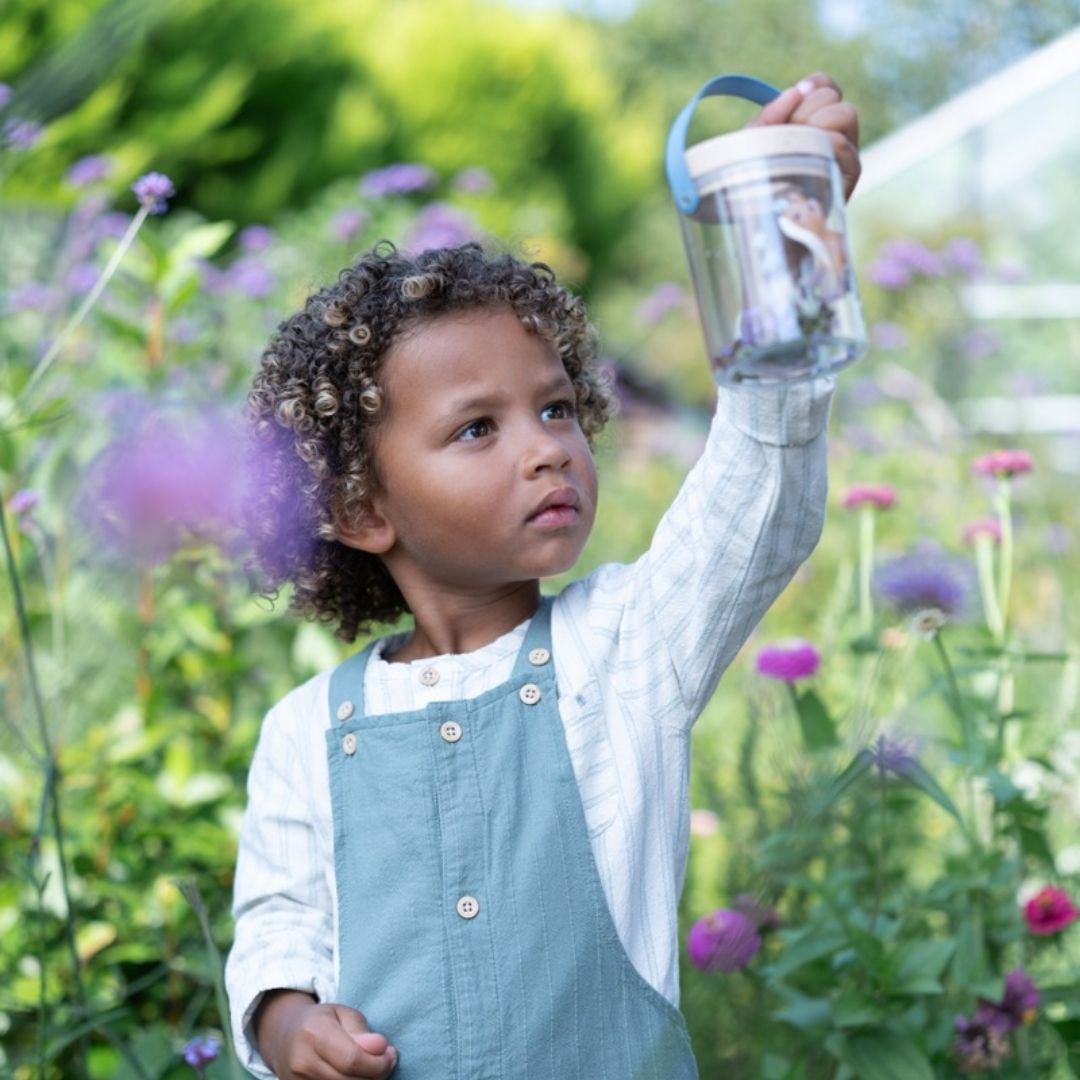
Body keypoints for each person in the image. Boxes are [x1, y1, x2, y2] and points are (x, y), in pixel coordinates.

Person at [225, 72, 861, 1079]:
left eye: (558, 408)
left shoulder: (625, 650)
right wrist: (286, 1024)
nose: (547, 448)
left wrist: (785, 250)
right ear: (360, 510)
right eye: (478, 427)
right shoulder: (305, 732)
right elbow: (278, 928)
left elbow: (757, 495)